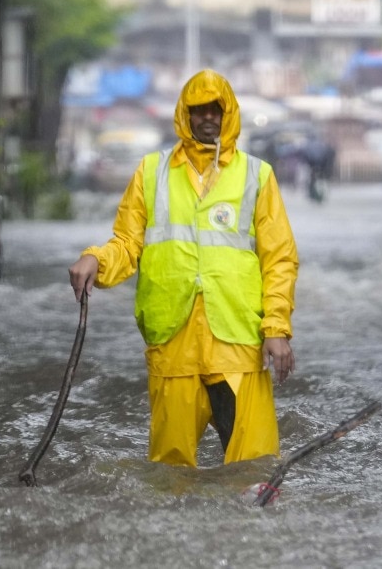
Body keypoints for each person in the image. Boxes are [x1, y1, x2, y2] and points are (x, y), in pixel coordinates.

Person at [68, 69, 299, 468]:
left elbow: (279, 258)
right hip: (173, 343)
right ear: (184, 115)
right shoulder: (151, 172)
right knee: (169, 474)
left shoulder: (257, 176)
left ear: (229, 115)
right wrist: (96, 259)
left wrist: (276, 329)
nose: (208, 117)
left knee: (255, 467)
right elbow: (127, 243)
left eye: (216, 109)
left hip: (237, 341)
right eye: (198, 110)